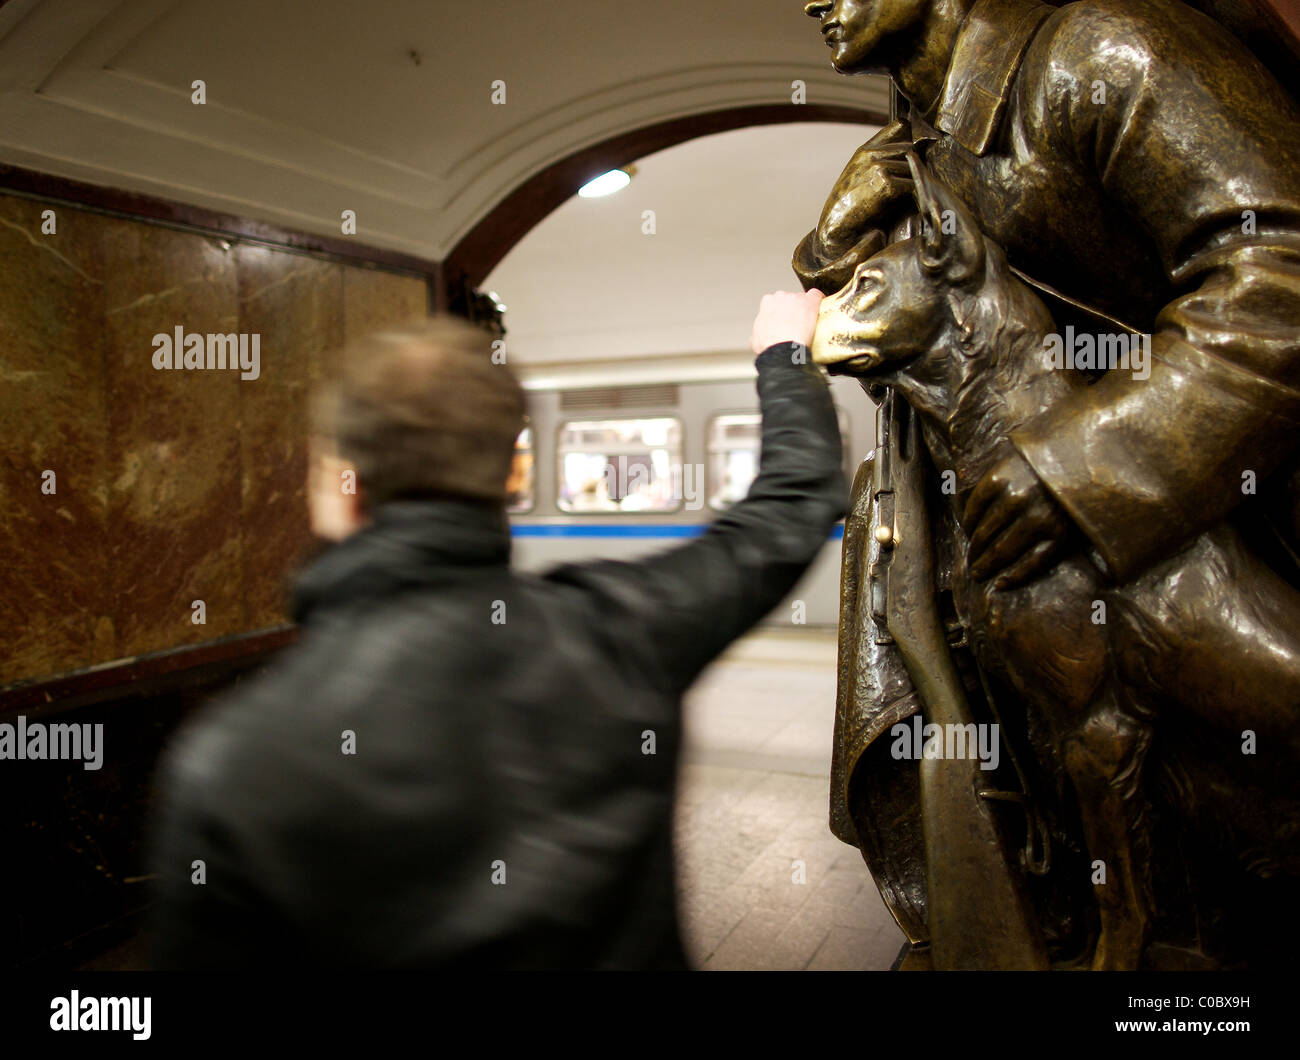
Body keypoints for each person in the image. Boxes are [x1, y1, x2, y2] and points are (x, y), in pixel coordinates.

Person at [149, 292, 843, 969]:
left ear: (344, 484)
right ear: (503, 477)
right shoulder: (622, 630)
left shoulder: (232, 759)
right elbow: (792, 508)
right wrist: (783, 356)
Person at [798, 0, 1300, 591]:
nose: (814, 3)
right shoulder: (919, 151)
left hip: (1243, 541)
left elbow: (1279, 273)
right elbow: (916, 359)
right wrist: (837, 246)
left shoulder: (1097, 54)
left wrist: (1081, 467)